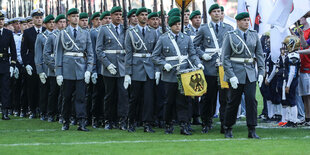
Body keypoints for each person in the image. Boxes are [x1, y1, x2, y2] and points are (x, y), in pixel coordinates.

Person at [152, 14, 204, 135]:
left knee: (184, 101)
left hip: (184, 75)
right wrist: (164, 64)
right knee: (169, 101)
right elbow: (155, 56)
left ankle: (184, 125)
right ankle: (168, 124)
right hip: (170, 75)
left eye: (179, 24)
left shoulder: (186, 38)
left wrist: (198, 63)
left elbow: (192, 54)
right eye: (175, 24)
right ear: (170, 26)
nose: (178, 26)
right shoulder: (163, 38)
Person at [222, 12, 264, 139]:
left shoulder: (254, 35)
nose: (246, 22)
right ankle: (228, 127)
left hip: (250, 73)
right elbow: (225, 58)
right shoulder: (230, 36)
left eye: (248, 20)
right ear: (238, 22)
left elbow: (260, 55)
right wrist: (231, 75)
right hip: (235, 73)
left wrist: (261, 72)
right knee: (233, 102)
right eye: (244, 20)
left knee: (251, 100)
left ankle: (252, 129)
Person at [193, 4, 233, 134]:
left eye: (219, 11)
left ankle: (224, 123)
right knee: (208, 98)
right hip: (209, 67)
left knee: (224, 98)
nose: (217, 14)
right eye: (214, 11)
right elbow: (194, 46)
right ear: (210, 14)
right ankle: (206, 122)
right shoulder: (204, 29)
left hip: (224, 68)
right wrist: (202, 55)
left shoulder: (228, 28)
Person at [55, 8, 94, 131]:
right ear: (68, 18)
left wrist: (89, 69)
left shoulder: (85, 33)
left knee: (81, 98)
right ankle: (65, 121)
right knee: (66, 97)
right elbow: (59, 54)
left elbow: (90, 53)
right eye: (73, 16)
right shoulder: (63, 33)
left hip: (81, 70)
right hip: (67, 69)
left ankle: (81, 122)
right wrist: (58, 73)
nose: (76, 18)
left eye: (77, 16)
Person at [124, 7, 159, 133]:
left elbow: (156, 53)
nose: (144, 17)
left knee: (149, 99)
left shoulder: (153, 32)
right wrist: (127, 72)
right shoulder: (131, 32)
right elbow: (128, 53)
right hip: (136, 68)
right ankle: (131, 121)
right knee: (134, 98)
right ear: (137, 17)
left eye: (146, 15)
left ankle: (147, 123)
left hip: (149, 68)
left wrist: (157, 70)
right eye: (142, 15)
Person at [96, 6, 129, 130]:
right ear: (111, 15)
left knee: (123, 94)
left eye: (120, 14)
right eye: (116, 14)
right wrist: (107, 64)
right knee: (110, 95)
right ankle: (109, 120)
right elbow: (99, 50)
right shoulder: (104, 29)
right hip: (109, 66)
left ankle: (123, 120)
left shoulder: (126, 29)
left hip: (123, 66)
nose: (118, 17)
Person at [21, 8, 46, 119]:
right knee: (32, 88)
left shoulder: (46, 31)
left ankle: (42, 109)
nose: (39, 20)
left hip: (44, 63)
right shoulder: (27, 32)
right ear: (33, 19)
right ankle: (33, 109)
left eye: (41, 18)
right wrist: (26, 64)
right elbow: (23, 50)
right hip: (32, 62)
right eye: (37, 18)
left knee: (44, 88)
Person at [43, 14, 67, 122]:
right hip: (54, 70)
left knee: (64, 94)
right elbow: (46, 55)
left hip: (65, 69)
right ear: (57, 24)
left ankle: (62, 114)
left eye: (64, 22)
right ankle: (51, 113)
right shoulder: (52, 36)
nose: (63, 24)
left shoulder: (67, 35)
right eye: (60, 22)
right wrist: (55, 67)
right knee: (53, 92)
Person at [35, 14, 55, 121]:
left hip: (55, 67)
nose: (52, 24)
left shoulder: (58, 35)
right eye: (49, 23)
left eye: (53, 22)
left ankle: (52, 111)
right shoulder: (41, 37)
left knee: (54, 91)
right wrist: (40, 70)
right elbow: (38, 55)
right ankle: (43, 112)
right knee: (44, 91)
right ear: (45, 24)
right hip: (45, 67)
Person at [0, 10, 17, 120]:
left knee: (5, 89)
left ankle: (5, 112)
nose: (0, 22)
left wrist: (12, 65)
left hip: (4, 64)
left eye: (2, 20)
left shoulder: (8, 33)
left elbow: (14, 51)